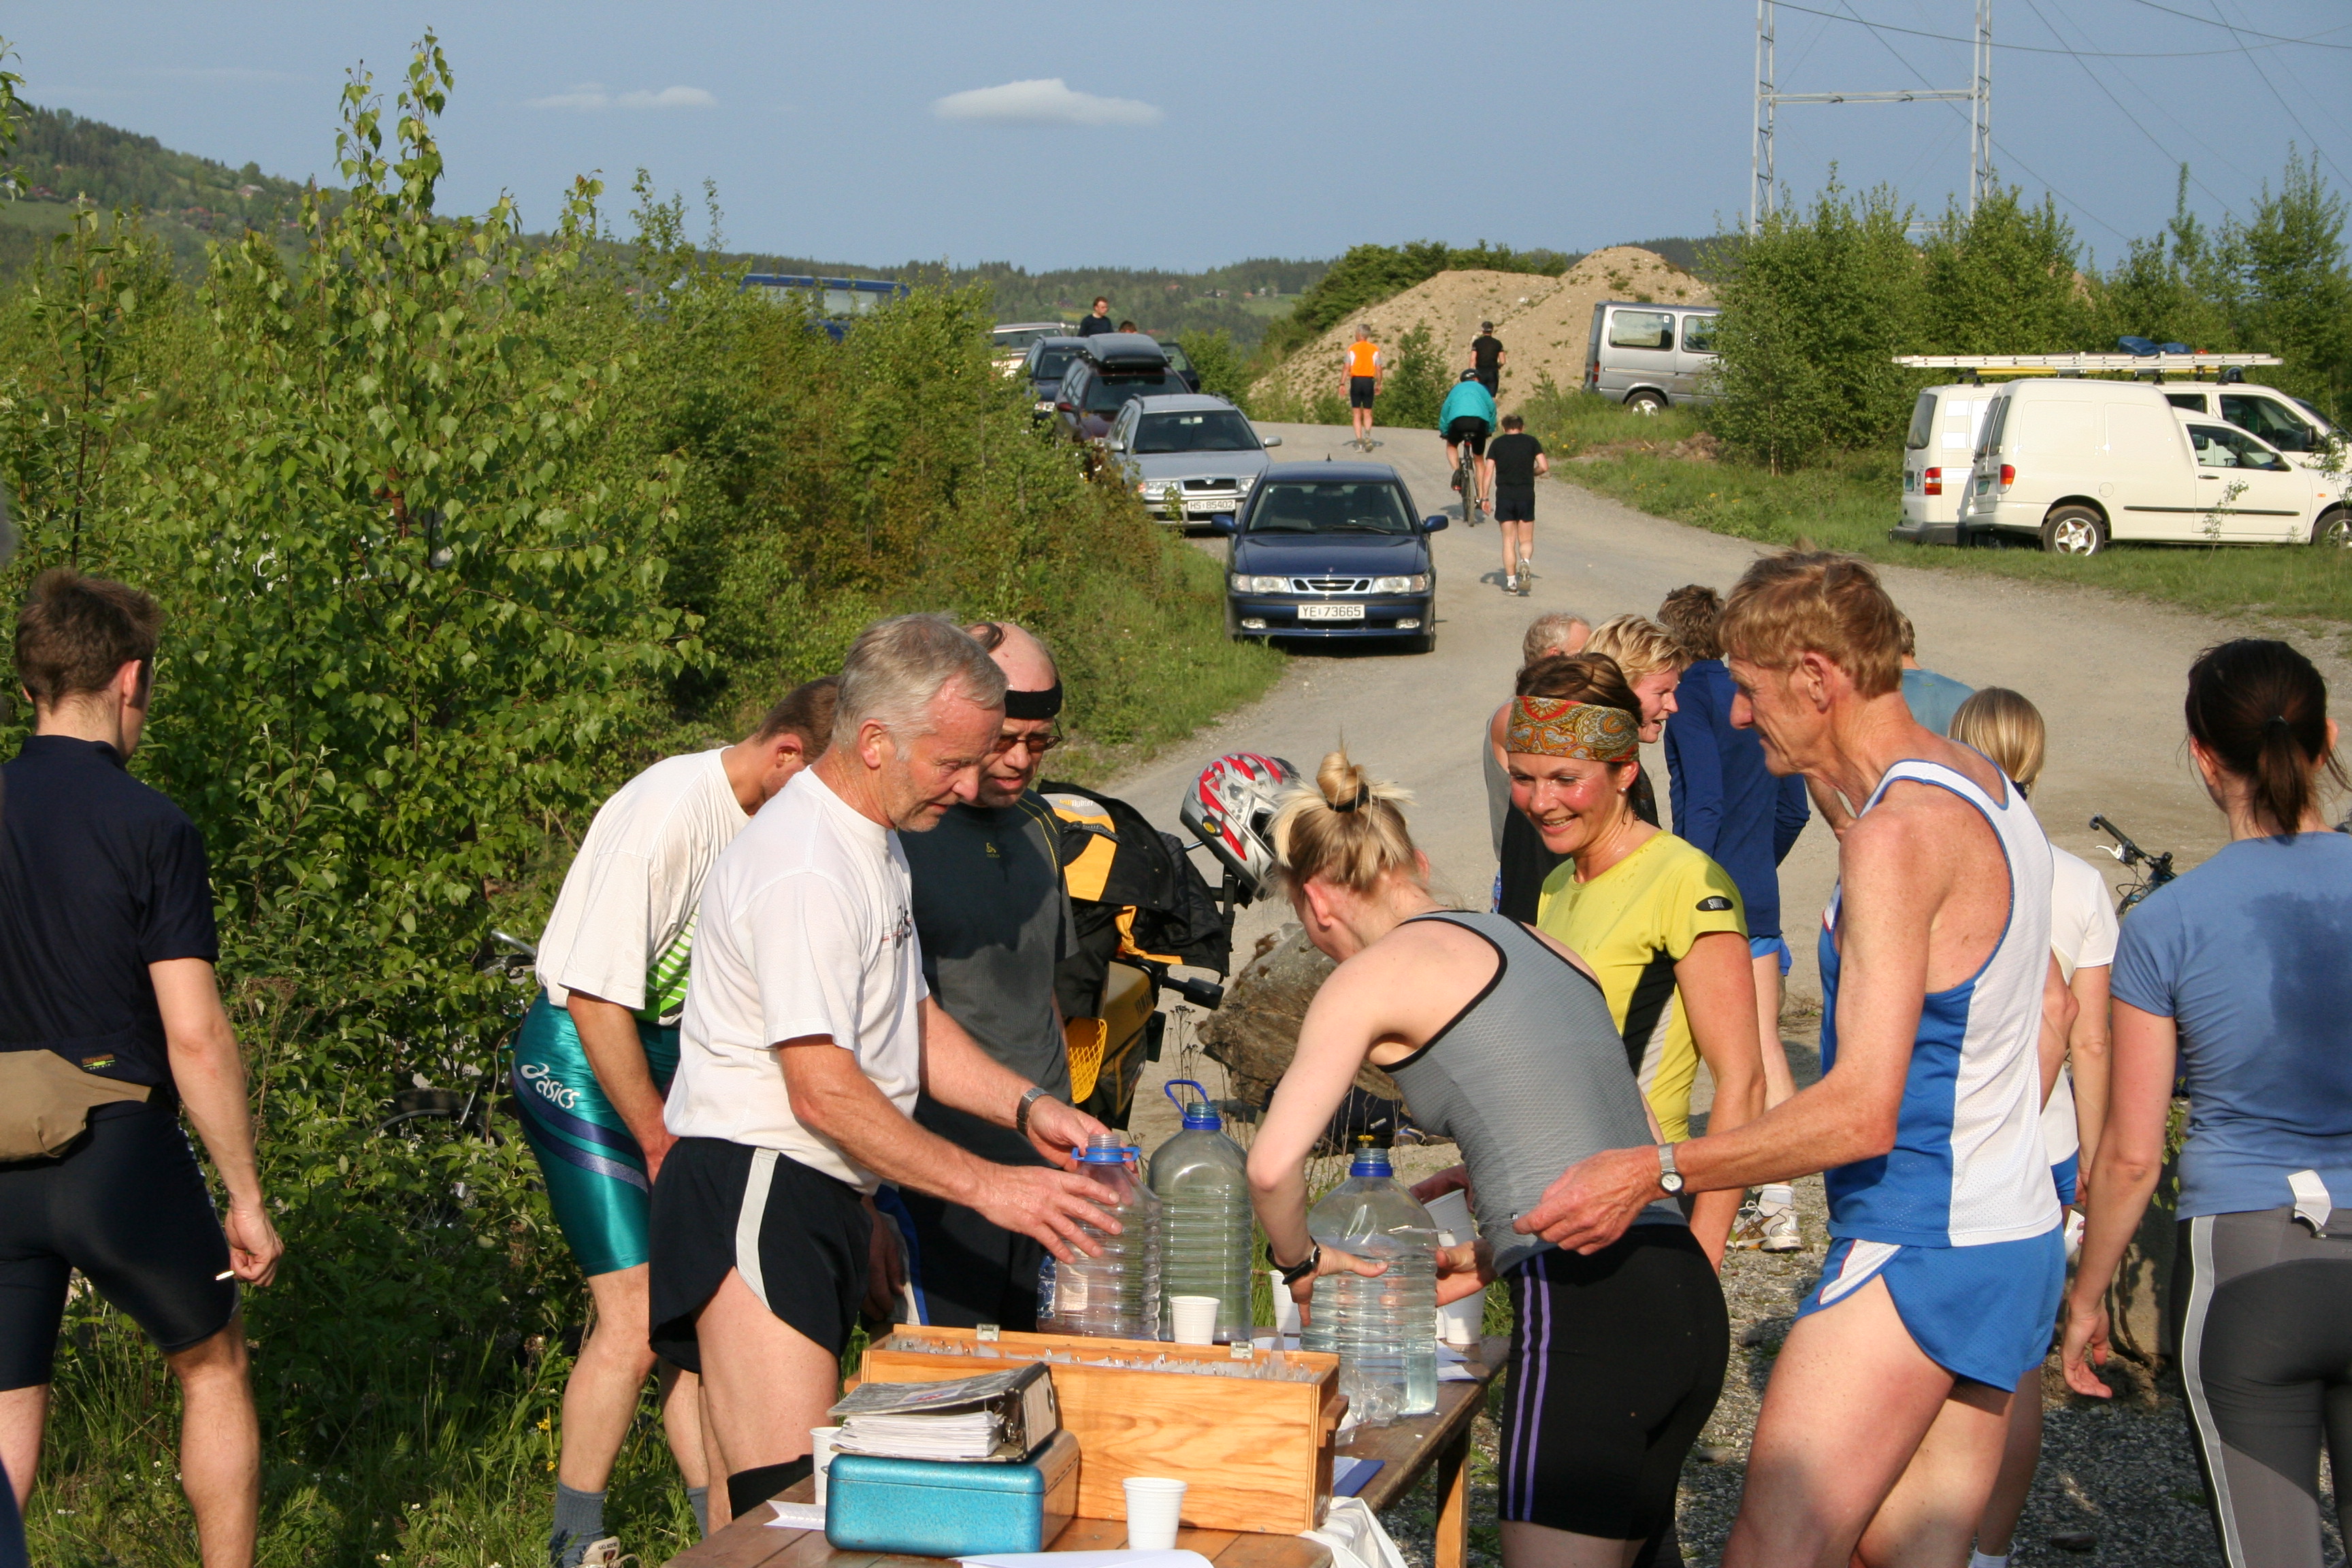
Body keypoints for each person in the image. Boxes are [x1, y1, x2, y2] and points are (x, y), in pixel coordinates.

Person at [1517, 551, 2075, 1568]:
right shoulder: (1982, 786)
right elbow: (2048, 1001)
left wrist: (1654, 1169)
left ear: (1819, 679)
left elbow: (1859, 1113)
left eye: (1752, 691)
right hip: (2013, 1232)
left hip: (1919, 1238)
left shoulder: (1895, 837)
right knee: (1905, 1552)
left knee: (1776, 1545)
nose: (1733, 717)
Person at [647, 614, 1116, 1522]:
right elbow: (820, 1087)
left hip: (813, 1187)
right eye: (954, 763)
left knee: (786, 1518)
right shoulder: (807, 866)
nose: (975, 783)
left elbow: (907, 1020)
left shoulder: (872, 837)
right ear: (874, 742)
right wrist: (995, 1189)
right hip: (755, 1183)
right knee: (786, 1516)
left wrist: (1026, 1110)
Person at [1247, 747, 1727, 1568]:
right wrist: (1496, 1234)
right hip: (1682, 1296)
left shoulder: (1370, 979)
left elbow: (1269, 1167)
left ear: (1317, 899)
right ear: (1416, 863)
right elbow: (1627, 1135)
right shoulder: (1541, 944)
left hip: (1588, 1314)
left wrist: (1300, 1260)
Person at [0, 570, 285, 1568]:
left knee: (6, 1395)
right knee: (213, 1363)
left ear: (34, 685)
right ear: (130, 680)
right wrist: (244, 1196)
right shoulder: (152, 825)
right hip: (112, 1151)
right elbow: (196, 1032)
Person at [519, 675, 838, 1561]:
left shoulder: (780, 829)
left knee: (699, 1322)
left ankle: (725, 1540)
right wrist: (660, 1137)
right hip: (581, 1055)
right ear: (785, 756)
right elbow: (593, 998)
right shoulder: (667, 812)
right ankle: (574, 1540)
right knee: (629, 1316)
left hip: (666, 1061)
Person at [2062, 638, 2352, 1568]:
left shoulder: (2166, 924)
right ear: (2327, 739)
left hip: (2246, 1254)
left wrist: (2086, 1297)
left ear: (2201, 754)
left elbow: (2134, 1154)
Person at [1512, 659, 1769, 1264]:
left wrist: (1703, 1251)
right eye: (1525, 778)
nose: (1541, 801)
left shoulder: (1685, 880)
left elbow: (1744, 1082)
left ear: (1625, 770)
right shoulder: (1556, 884)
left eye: (1565, 778)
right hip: (1562, 1203)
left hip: (1646, 1211)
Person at [1946, 687, 2115, 1568]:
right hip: (2045, 1151)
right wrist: (2089, 1147)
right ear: (2037, 761)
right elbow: (2091, 1032)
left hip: (1953, 1148)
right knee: (2016, 1380)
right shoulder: (2079, 881)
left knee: (1936, 1372)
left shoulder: (1938, 867)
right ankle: (1992, 1552)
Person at [895, 622, 1075, 1331]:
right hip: (945, 1172)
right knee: (954, 1380)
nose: (1020, 760)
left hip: (1046, 1162)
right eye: (1004, 739)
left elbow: (1042, 990)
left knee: (1051, 1372)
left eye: (1040, 741)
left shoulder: (1041, 825)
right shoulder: (905, 835)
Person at [1656, 585, 1810, 1254]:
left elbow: (1705, 799)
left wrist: (1689, 880)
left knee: (1705, 1050)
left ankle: (1685, 1181)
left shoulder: (1690, 695)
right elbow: (1794, 809)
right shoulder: (1754, 696)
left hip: (1708, 895)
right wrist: (1756, 865)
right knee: (1763, 1044)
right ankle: (1780, 1200)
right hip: (1759, 886)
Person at [1486, 612, 1592, 862]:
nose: (1592, 664)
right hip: (1532, 865)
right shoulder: (1518, 716)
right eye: (1584, 655)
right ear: (1554, 656)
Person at [1486, 414, 1548, 595]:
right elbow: (1544, 466)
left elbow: (1488, 470)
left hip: (1505, 495)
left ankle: (1512, 583)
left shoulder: (1497, 444)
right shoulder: (1531, 442)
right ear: (1522, 427)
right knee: (1526, 540)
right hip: (1526, 494)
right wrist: (1531, 473)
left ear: (1504, 428)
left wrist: (1483, 497)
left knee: (1508, 540)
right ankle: (1525, 562)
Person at [1438, 372, 1499, 518]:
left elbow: (1446, 410)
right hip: (1479, 423)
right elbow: (1492, 408)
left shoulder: (1455, 389)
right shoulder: (1482, 389)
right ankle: (1482, 496)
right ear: (1476, 379)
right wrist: (1489, 429)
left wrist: (1445, 431)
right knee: (1479, 459)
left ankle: (1458, 471)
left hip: (1459, 421)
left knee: (1451, 445)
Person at [1343, 325, 1384, 448]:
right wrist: (1378, 384)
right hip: (1368, 381)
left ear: (1360, 335)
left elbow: (1346, 367)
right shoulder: (1375, 349)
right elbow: (1379, 368)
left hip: (1356, 381)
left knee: (1356, 413)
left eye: (1356, 333)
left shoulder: (1352, 348)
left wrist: (1342, 383)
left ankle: (1359, 441)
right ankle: (1367, 435)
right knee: (1368, 412)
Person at [1467, 321, 1505, 395]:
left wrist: (1471, 373)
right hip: (1493, 373)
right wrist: (1498, 365)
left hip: (1480, 372)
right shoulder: (1498, 343)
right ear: (1492, 330)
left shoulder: (1477, 343)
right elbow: (1503, 361)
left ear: (1482, 330)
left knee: (1479, 395)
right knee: (1492, 397)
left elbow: (1473, 359)